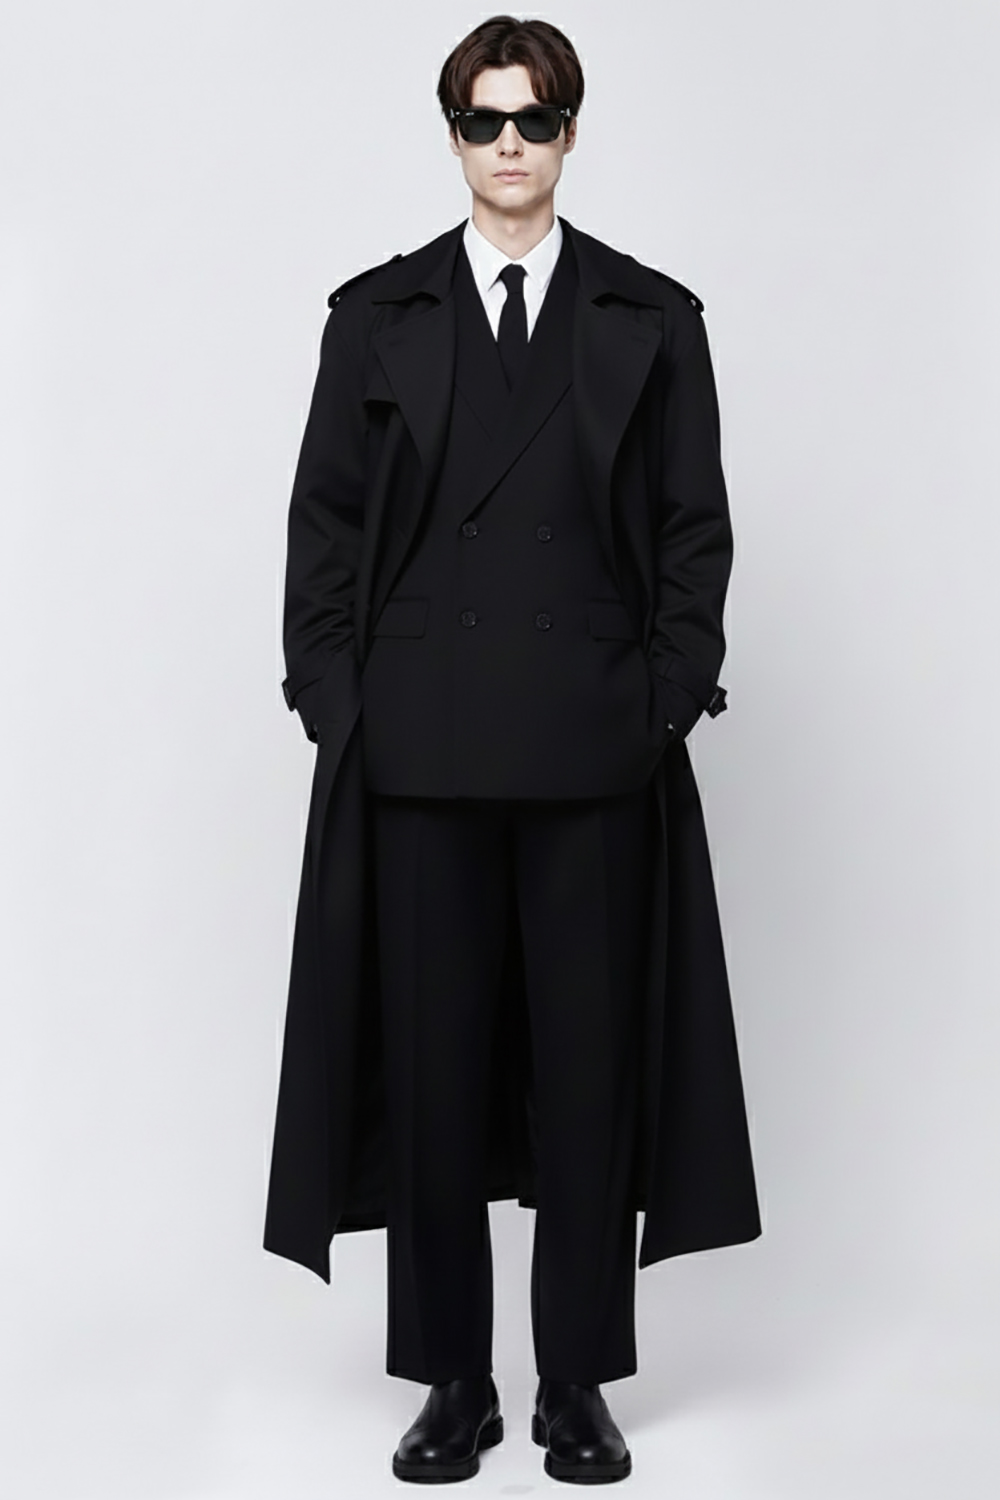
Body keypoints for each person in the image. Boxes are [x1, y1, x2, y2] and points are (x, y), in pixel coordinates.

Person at [263, 13, 761, 1485]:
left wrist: (662, 698)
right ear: (454, 136)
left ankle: (576, 1385)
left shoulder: (651, 318)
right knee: (432, 1082)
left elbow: (694, 530)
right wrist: (339, 703)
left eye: (533, 120)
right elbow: (323, 526)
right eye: (484, 121)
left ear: (569, 133)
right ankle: (454, 1383)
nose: (508, 146)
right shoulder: (378, 315)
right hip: (419, 757)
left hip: (593, 752)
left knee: (590, 1081)